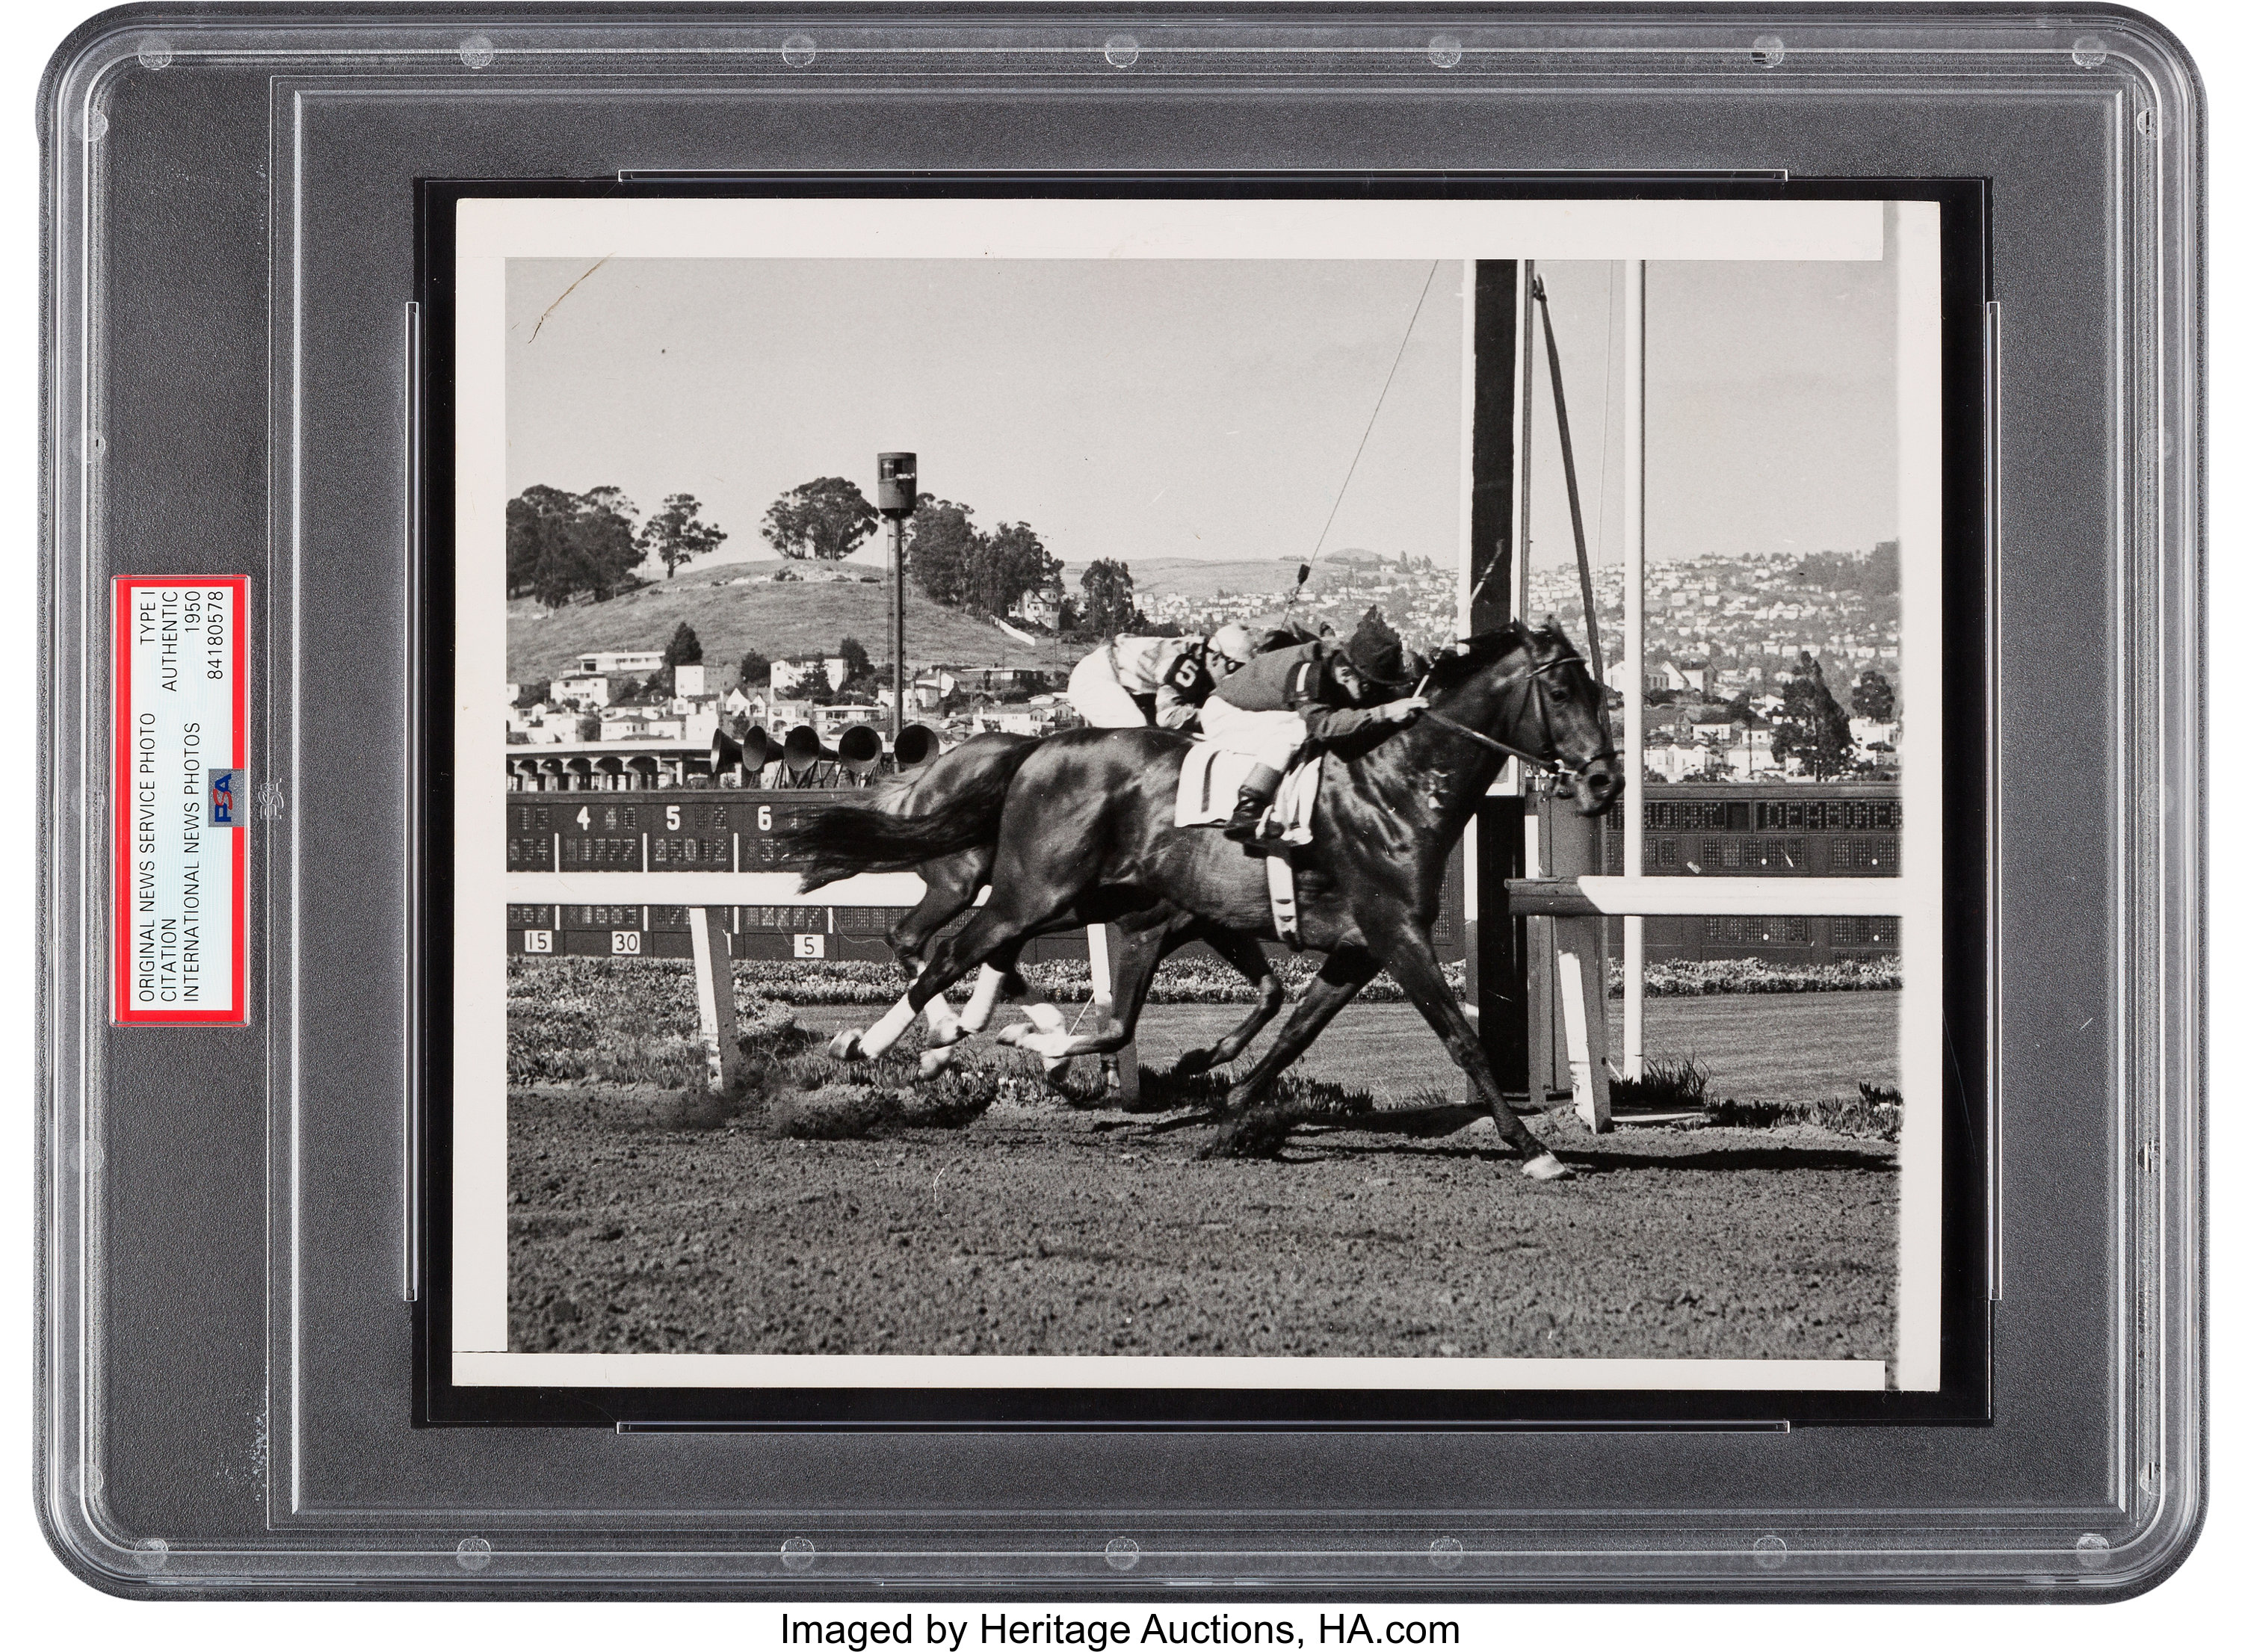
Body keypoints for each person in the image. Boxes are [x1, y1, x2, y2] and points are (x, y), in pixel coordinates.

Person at [1199, 608, 1428, 850]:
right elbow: (1324, 727)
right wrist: (1384, 713)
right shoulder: (1307, 672)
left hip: (1256, 711)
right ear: (1346, 673)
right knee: (1297, 728)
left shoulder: (1340, 662)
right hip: (1224, 713)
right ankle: (1248, 808)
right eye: (1367, 687)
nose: (1369, 695)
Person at [1064, 627, 1255, 732]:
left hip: (1116, 677)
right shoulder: (1184, 663)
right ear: (1216, 658)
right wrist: (1222, 716)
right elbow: (1168, 717)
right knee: (1137, 733)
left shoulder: (1200, 654)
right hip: (1097, 677)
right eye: (1234, 668)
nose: (1235, 676)